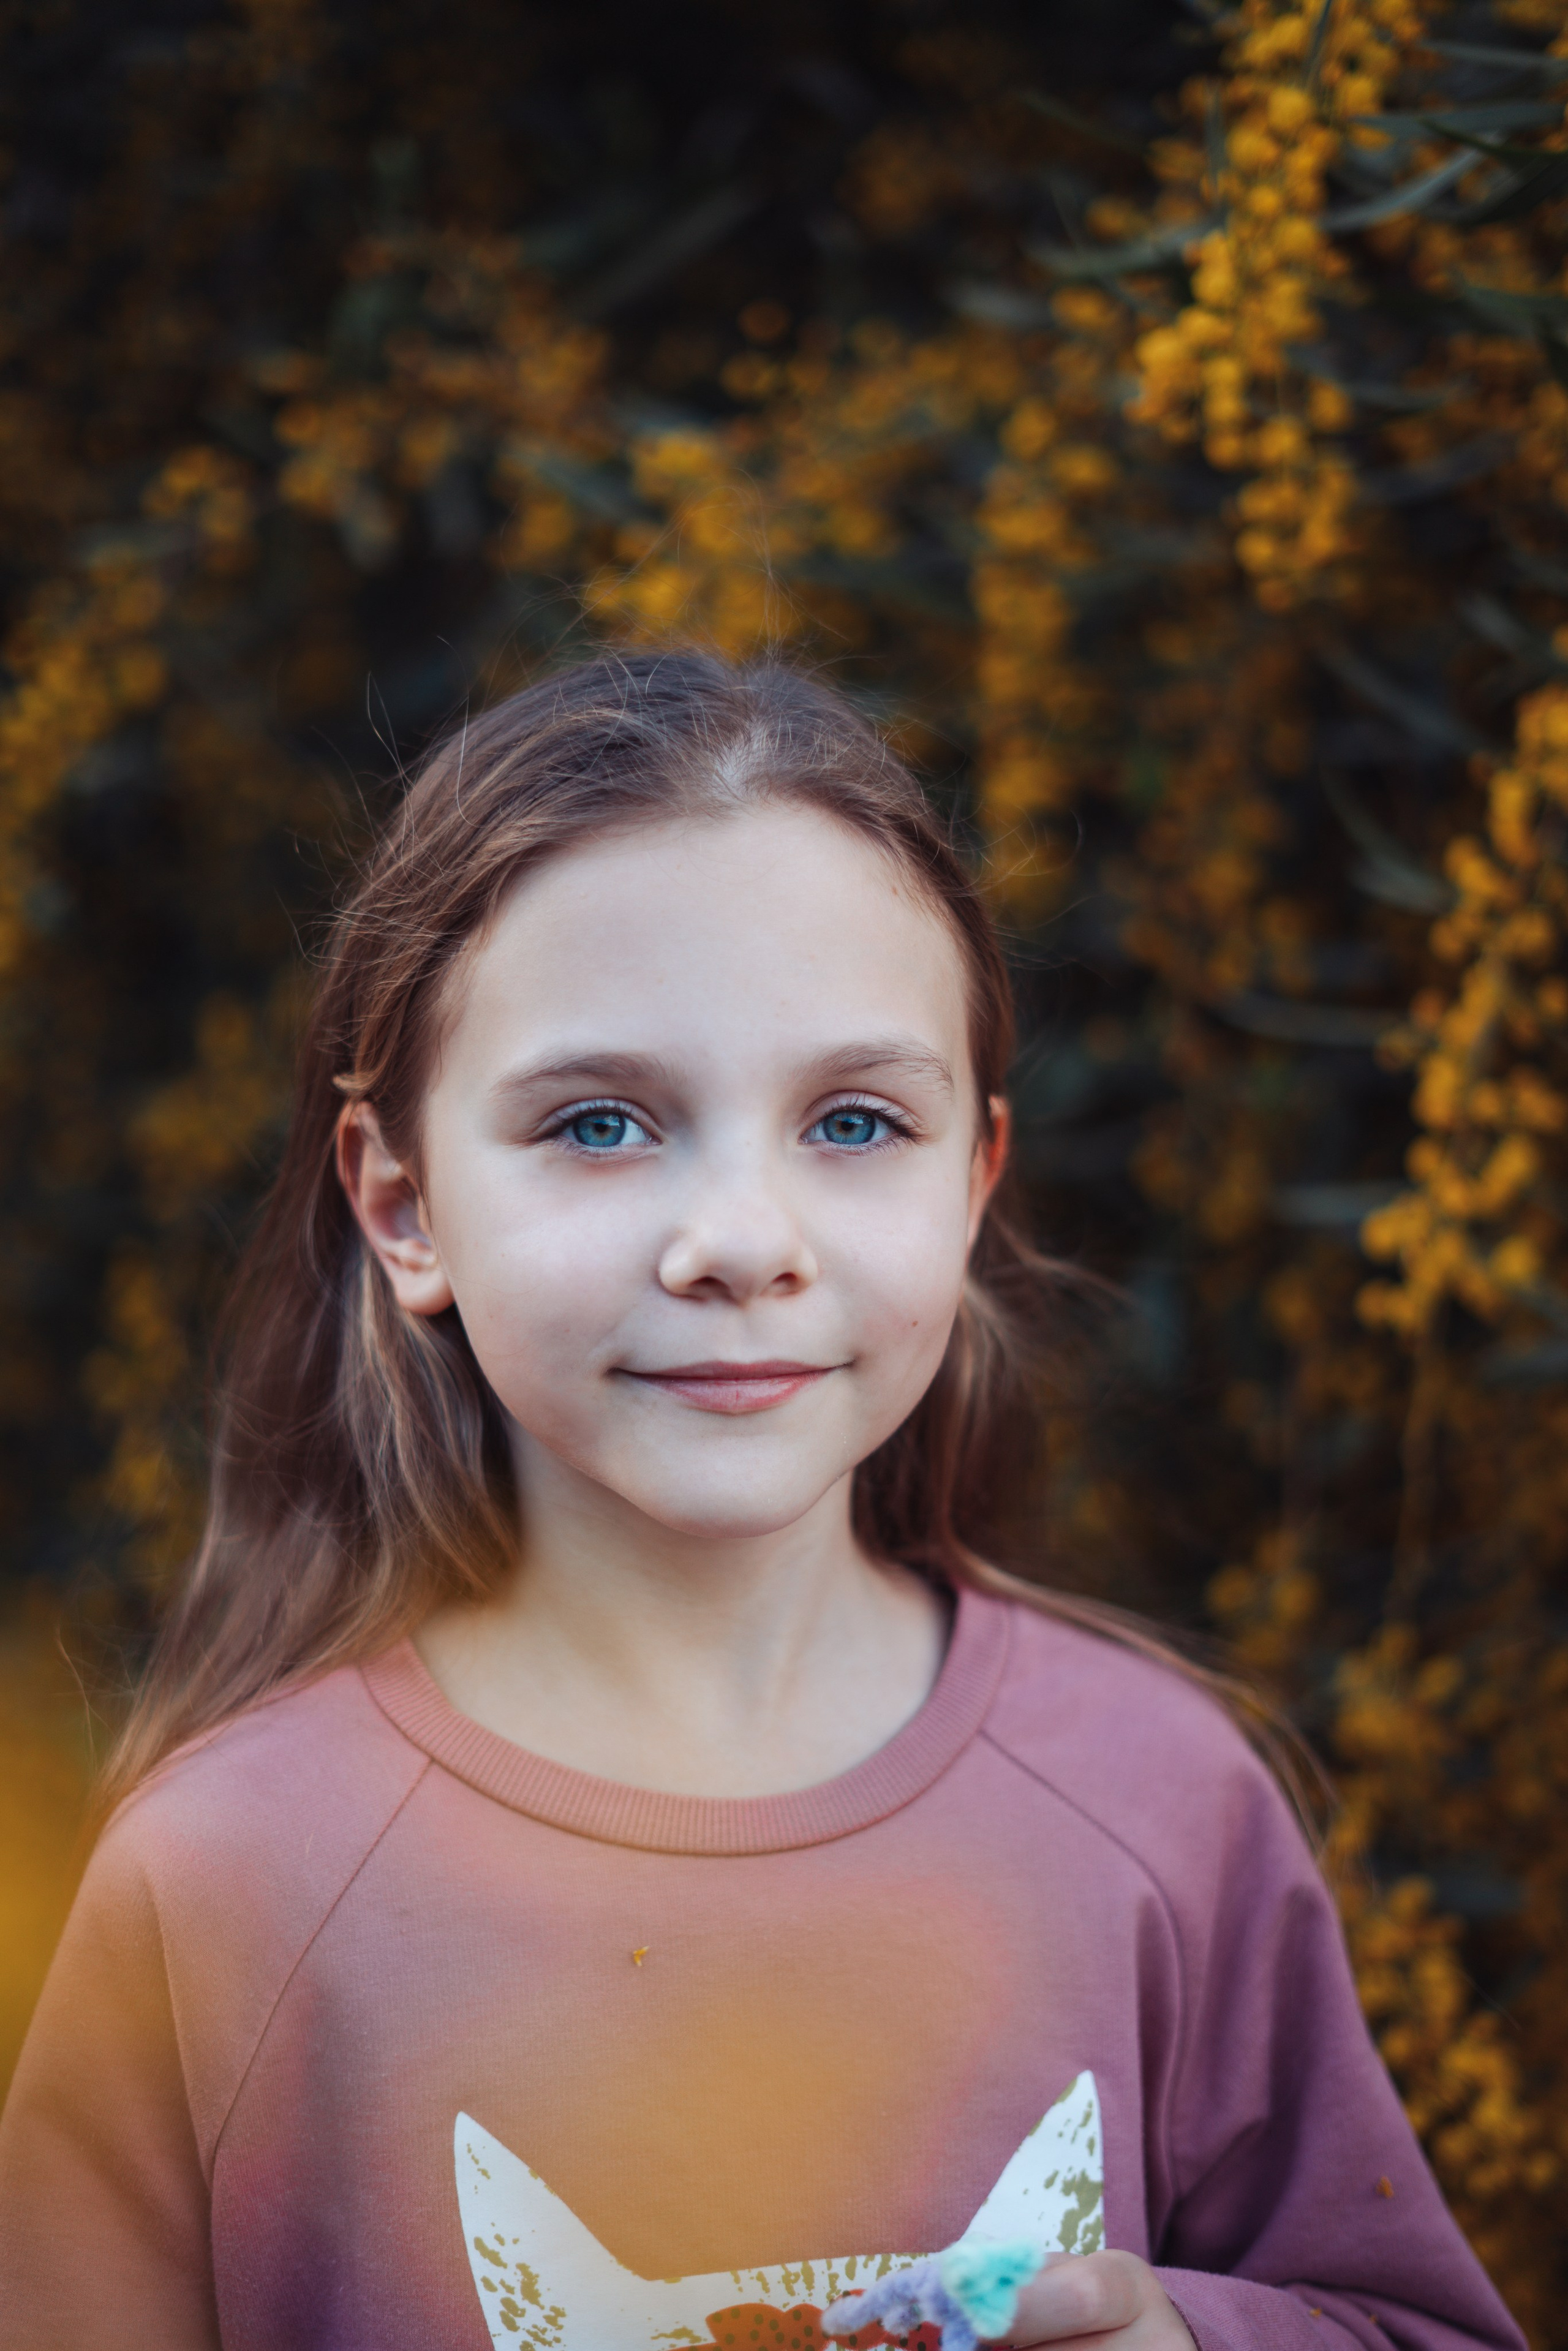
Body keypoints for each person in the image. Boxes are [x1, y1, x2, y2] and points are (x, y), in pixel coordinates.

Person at [0, 652, 1523, 2351]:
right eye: (599, 1123)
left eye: (856, 1121)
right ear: (404, 1203)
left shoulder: (1163, 1809)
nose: (740, 1237)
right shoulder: (223, 1886)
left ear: (973, 1182)